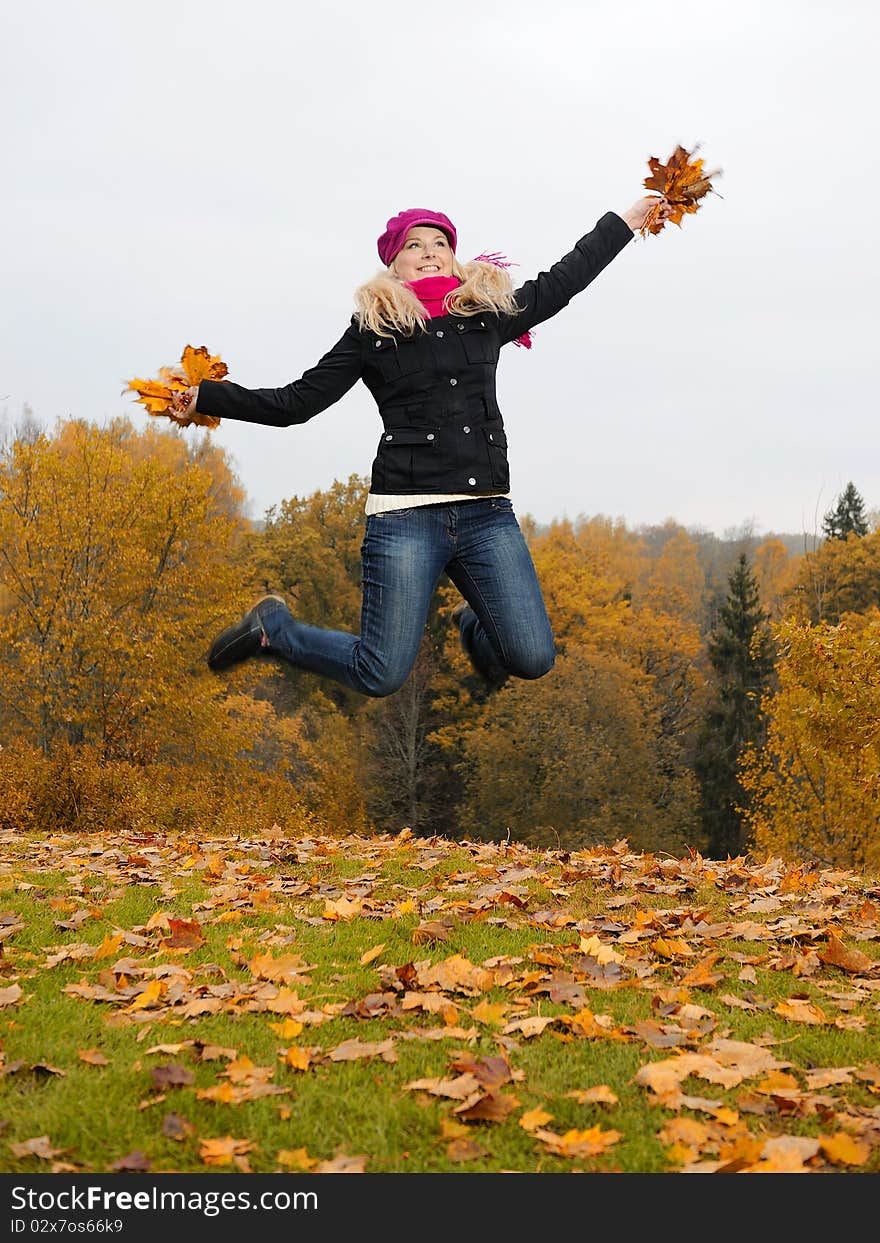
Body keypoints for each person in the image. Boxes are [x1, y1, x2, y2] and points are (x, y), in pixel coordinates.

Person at [172, 192, 672, 696]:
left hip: (485, 514)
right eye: (415, 244)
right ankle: (275, 631)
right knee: (380, 673)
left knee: (533, 657)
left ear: (454, 256)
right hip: (407, 518)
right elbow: (294, 403)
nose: (430, 250)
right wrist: (206, 397)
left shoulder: (487, 315)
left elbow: (564, 281)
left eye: (440, 242)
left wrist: (627, 222)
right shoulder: (372, 331)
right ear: (394, 263)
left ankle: (477, 626)